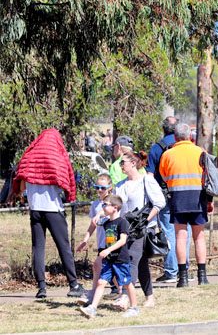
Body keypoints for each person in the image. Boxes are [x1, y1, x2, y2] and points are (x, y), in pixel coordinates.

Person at [10, 128, 84, 299]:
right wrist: (69, 195)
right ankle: (73, 284)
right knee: (63, 247)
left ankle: (41, 288)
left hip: (35, 209)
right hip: (53, 209)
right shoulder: (57, 157)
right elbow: (66, 181)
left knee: (38, 248)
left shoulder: (28, 157)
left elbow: (20, 186)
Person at [108, 151, 165, 308]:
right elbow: (115, 207)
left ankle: (125, 297)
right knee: (140, 264)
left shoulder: (146, 180)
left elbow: (159, 203)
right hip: (126, 230)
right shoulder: (120, 185)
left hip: (142, 229)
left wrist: (145, 221)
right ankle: (150, 297)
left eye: (123, 163)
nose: (121, 166)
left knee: (131, 260)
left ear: (133, 163)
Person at [159, 123, 211, 287]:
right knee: (199, 237)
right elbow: (208, 178)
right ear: (190, 136)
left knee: (180, 237)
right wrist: (210, 201)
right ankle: (202, 276)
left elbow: (164, 177)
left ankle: (182, 278)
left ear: (175, 137)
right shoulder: (201, 152)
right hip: (198, 198)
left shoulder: (168, 154)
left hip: (178, 198)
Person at [79, 195, 139, 319]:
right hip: (109, 259)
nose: (103, 207)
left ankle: (134, 307)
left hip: (120, 260)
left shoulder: (123, 222)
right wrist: (96, 217)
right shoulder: (106, 223)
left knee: (127, 284)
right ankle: (92, 308)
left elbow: (122, 241)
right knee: (101, 282)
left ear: (115, 207)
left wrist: (108, 250)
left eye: (105, 204)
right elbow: (95, 222)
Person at [146, 116, 180, 283]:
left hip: (164, 196)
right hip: (184, 195)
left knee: (168, 232)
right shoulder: (187, 147)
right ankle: (183, 268)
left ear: (163, 129)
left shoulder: (156, 149)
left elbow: (150, 176)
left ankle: (171, 271)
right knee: (183, 232)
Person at [76, 174, 113, 305]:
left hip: (113, 244)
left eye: (102, 188)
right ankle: (93, 295)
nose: (99, 190)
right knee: (98, 267)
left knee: (111, 271)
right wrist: (85, 240)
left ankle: (123, 296)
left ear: (110, 187)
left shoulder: (114, 203)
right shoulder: (96, 204)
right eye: (97, 187)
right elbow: (93, 225)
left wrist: (101, 213)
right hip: (102, 243)